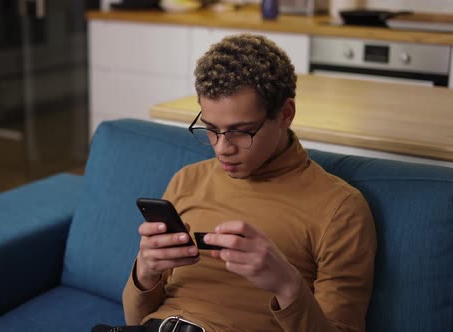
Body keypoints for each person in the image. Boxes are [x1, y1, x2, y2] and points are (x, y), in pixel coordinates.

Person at [96, 34, 377, 332]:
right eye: (211, 129)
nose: (221, 148)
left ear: (285, 114)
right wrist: (146, 270)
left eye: (241, 132)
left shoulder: (340, 209)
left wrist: (287, 285)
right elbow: (133, 320)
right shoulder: (188, 180)